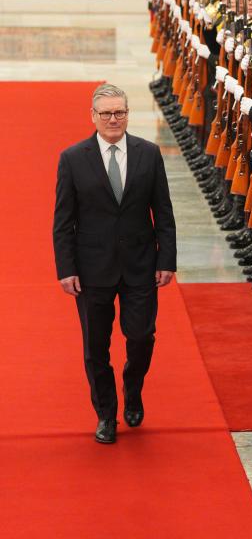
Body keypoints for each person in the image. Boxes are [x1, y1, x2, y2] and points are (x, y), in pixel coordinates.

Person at [53, 83, 177, 444]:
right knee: (95, 346)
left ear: (127, 114)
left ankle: (133, 388)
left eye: (119, 112)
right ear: (93, 116)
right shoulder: (73, 158)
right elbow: (63, 220)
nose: (113, 119)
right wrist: (66, 268)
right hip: (92, 269)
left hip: (141, 263)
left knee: (141, 336)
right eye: (106, 113)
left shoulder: (148, 153)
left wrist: (166, 258)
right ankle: (106, 414)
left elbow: (163, 212)